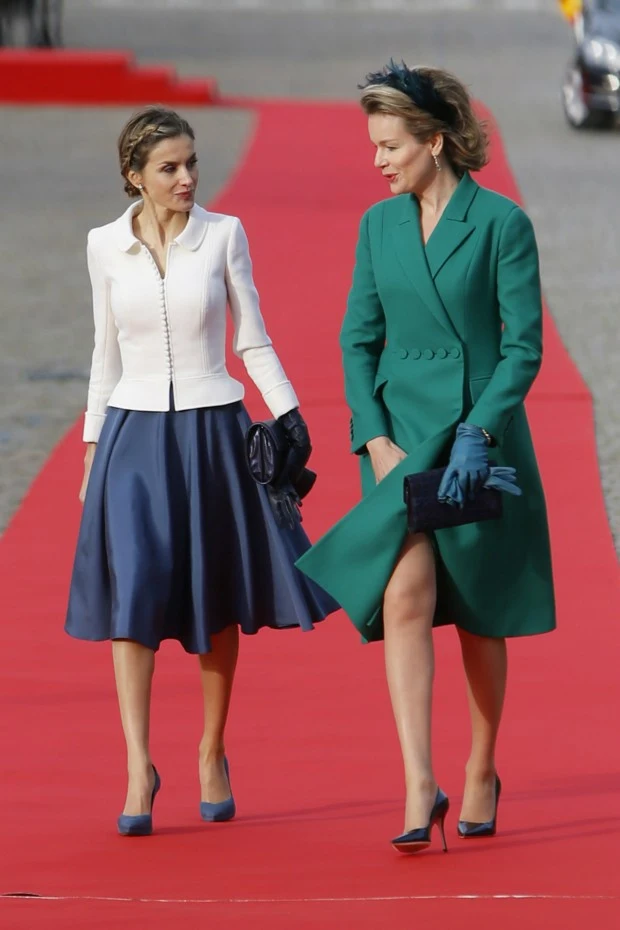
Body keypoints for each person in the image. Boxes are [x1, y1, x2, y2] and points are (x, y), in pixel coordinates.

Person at [296, 62, 555, 853]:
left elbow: (523, 347)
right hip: (401, 437)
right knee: (404, 598)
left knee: (477, 613)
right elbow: (357, 339)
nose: (378, 161)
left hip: (479, 436)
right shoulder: (378, 227)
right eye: (374, 145)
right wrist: (372, 438)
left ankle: (481, 765)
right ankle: (419, 780)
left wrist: (480, 430)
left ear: (435, 141)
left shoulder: (503, 223)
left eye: (390, 145)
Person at [65, 106, 337, 836]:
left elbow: (253, 338)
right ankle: (137, 767)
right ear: (135, 177)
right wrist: (92, 450)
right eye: (169, 168)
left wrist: (288, 414)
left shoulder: (224, 235)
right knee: (135, 596)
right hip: (131, 437)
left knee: (214, 594)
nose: (186, 178)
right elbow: (104, 354)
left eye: (192, 164)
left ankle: (212, 751)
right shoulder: (101, 247)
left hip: (216, 430)